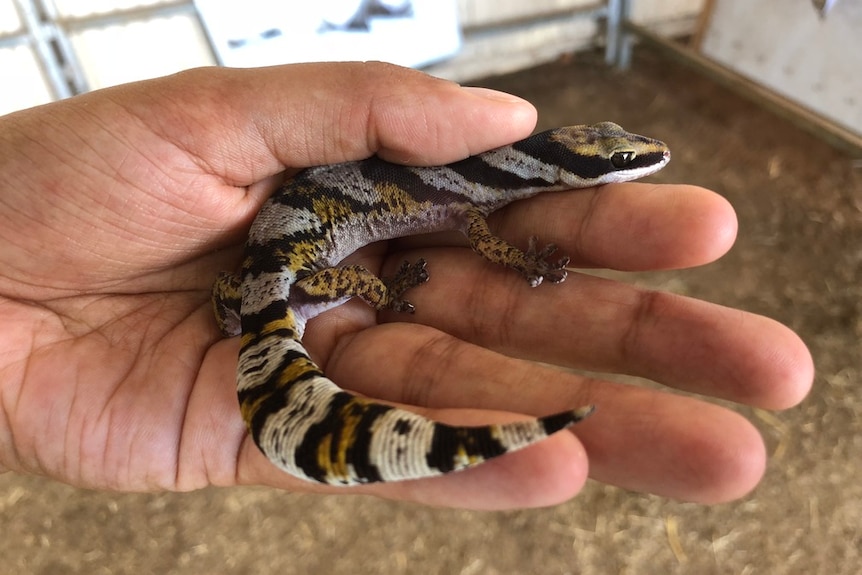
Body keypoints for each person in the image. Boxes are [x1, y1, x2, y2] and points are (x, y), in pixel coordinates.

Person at [0, 62, 812, 510]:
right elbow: (478, 232)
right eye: (625, 159)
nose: (638, 158)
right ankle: (321, 353)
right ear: (571, 170)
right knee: (331, 292)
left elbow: (472, 223)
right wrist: (394, 292)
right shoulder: (476, 194)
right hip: (285, 287)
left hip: (260, 288)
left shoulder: (481, 184)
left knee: (282, 299)